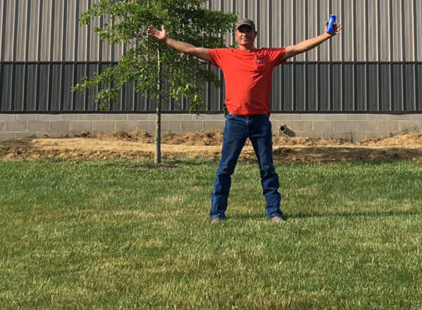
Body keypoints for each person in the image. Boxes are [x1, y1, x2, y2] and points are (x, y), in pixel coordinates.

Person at [146, 17, 342, 223]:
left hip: (260, 122)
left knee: (267, 168)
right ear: (235, 35)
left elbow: (297, 49)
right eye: (241, 31)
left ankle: (274, 212)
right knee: (225, 168)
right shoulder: (225, 55)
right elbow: (192, 50)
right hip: (235, 121)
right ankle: (217, 214)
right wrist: (167, 40)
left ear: (254, 35)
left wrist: (326, 36)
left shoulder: (267, 55)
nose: (244, 34)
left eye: (248, 31)